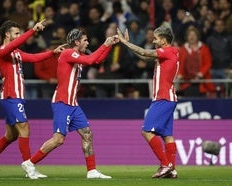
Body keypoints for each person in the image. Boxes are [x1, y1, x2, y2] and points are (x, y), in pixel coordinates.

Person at [21, 28, 119, 179]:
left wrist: (110, 45)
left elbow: (97, 60)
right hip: (62, 102)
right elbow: (91, 60)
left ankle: (92, 171)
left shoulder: (77, 55)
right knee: (58, 139)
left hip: (73, 104)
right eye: (85, 40)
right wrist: (105, 44)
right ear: (76, 42)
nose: (87, 43)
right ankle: (30, 163)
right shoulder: (68, 53)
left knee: (87, 134)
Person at [0, 19, 66, 178]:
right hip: (11, 96)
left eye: (19, 33)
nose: (18, 36)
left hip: (17, 96)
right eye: (16, 33)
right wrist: (33, 30)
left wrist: (53, 52)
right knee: (24, 127)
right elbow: (12, 46)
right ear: (7, 34)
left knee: (11, 135)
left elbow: (33, 58)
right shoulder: (0, 52)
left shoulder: (16, 52)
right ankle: (28, 166)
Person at [117, 25, 179, 178]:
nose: (153, 40)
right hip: (169, 98)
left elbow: (145, 52)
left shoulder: (168, 51)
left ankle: (165, 165)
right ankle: (172, 170)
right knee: (167, 135)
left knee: (146, 131)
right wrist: (130, 46)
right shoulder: (170, 52)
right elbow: (145, 56)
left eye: (156, 38)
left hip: (163, 98)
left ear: (164, 40)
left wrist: (125, 43)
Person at [177, 26, 215, 97]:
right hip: (186, 82)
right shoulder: (182, 50)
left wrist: (201, 73)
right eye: (190, 35)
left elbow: (208, 63)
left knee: (201, 104)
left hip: (201, 82)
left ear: (197, 36)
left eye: (194, 35)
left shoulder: (204, 48)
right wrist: (179, 73)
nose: (192, 37)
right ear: (187, 37)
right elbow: (178, 64)